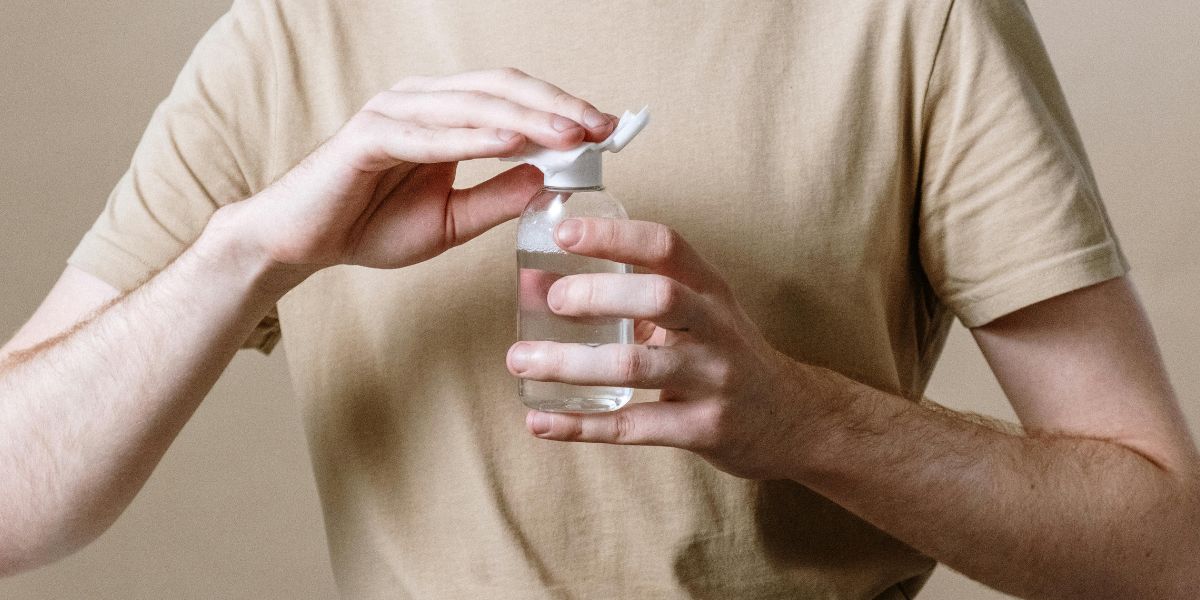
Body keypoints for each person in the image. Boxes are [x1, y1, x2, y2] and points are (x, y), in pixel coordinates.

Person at [1, 0, 1197, 597]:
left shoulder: (913, 20)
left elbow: (1163, 542)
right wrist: (245, 253)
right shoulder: (290, 35)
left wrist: (801, 419)